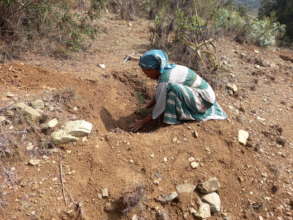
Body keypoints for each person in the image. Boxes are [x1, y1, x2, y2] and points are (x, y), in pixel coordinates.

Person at [130, 49, 227, 131]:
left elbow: (160, 107)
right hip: (206, 94)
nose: (146, 75)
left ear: (152, 70)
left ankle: (171, 121)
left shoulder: (165, 81)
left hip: (203, 100)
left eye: (145, 72)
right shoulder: (166, 68)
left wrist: (142, 122)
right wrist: (149, 105)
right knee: (168, 90)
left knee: (172, 92)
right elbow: (160, 93)